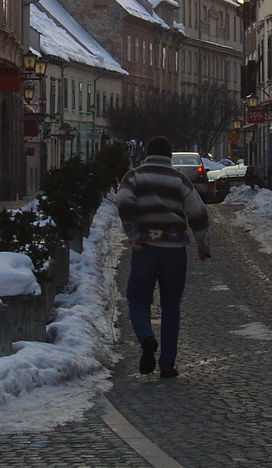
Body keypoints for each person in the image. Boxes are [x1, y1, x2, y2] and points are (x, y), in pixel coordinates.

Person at [115, 135, 211, 380]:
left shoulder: (134, 176)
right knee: (171, 307)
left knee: (138, 298)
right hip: (174, 249)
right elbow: (198, 212)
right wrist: (203, 245)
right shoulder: (180, 180)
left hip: (145, 247)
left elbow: (123, 200)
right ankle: (167, 365)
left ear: (147, 152)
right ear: (169, 156)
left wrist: (132, 233)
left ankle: (147, 337)